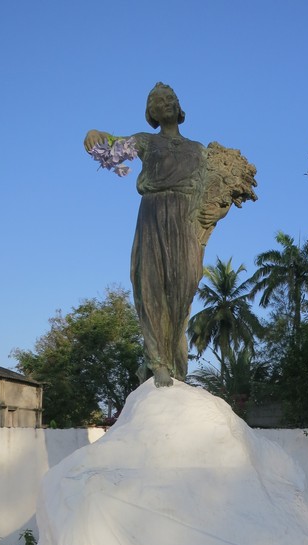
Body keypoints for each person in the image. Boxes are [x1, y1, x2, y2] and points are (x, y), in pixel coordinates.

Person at [84, 83, 257, 387]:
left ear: (179, 107)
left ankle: (176, 363)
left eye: (169, 99)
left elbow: (221, 191)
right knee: (150, 283)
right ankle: (157, 361)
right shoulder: (146, 141)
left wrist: (218, 211)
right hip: (154, 211)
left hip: (187, 218)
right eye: (157, 101)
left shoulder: (198, 150)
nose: (164, 103)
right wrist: (96, 135)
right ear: (151, 111)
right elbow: (115, 147)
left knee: (183, 288)